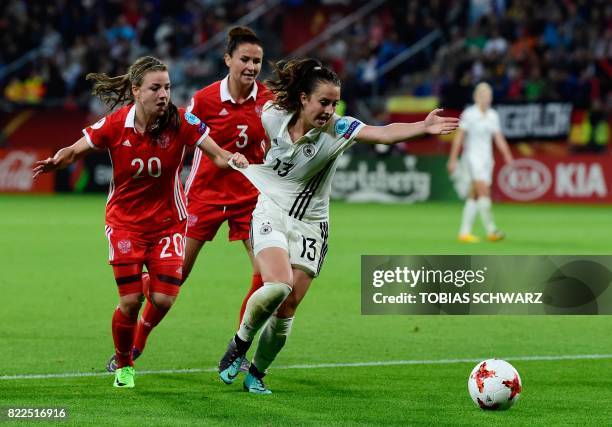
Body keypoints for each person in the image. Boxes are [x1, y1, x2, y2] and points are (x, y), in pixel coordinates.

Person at [216, 58, 459, 394]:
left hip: (312, 225)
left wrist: (423, 126)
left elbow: (382, 133)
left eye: (334, 103)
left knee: (287, 309)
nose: (330, 110)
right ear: (303, 98)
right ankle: (239, 343)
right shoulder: (273, 115)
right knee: (278, 285)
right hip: (270, 210)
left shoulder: (338, 129)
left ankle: (257, 373)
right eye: (324, 102)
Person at [33, 56, 248, 389]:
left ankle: (148, 276)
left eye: (167, 87)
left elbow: (217, 155)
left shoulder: (182, 121)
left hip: (169, 223)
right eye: (155, 88)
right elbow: (76, 150)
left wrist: (232, 159)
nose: (164, 94)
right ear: (136, 90)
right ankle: (124, 364)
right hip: (125, 225)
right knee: (131, 302)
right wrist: (57, 160)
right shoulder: (116, 124)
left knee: (162, 299)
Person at [105, 27, 273, 373]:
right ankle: (137, 340)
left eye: (257, 61)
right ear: (228, 60)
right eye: (244, 59)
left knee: (266, 277)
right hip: (203, 196)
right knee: (175, 279)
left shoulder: (269, 101)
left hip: (250, 199)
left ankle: (237, 349)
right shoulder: (204, 100)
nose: (251, 66)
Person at [447, 82, 513, 243]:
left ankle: (464, 232)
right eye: (483, 95)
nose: (486, 99)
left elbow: (498, 138)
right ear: (476, 97)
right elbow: (459, 138)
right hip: (472, 159)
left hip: (486, 160)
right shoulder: (469, 114)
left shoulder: (493, 115)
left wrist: (507, 155)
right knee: (483, 191)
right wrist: (453, 159)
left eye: (488, 96)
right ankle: (492, 230)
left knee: (474, 196)